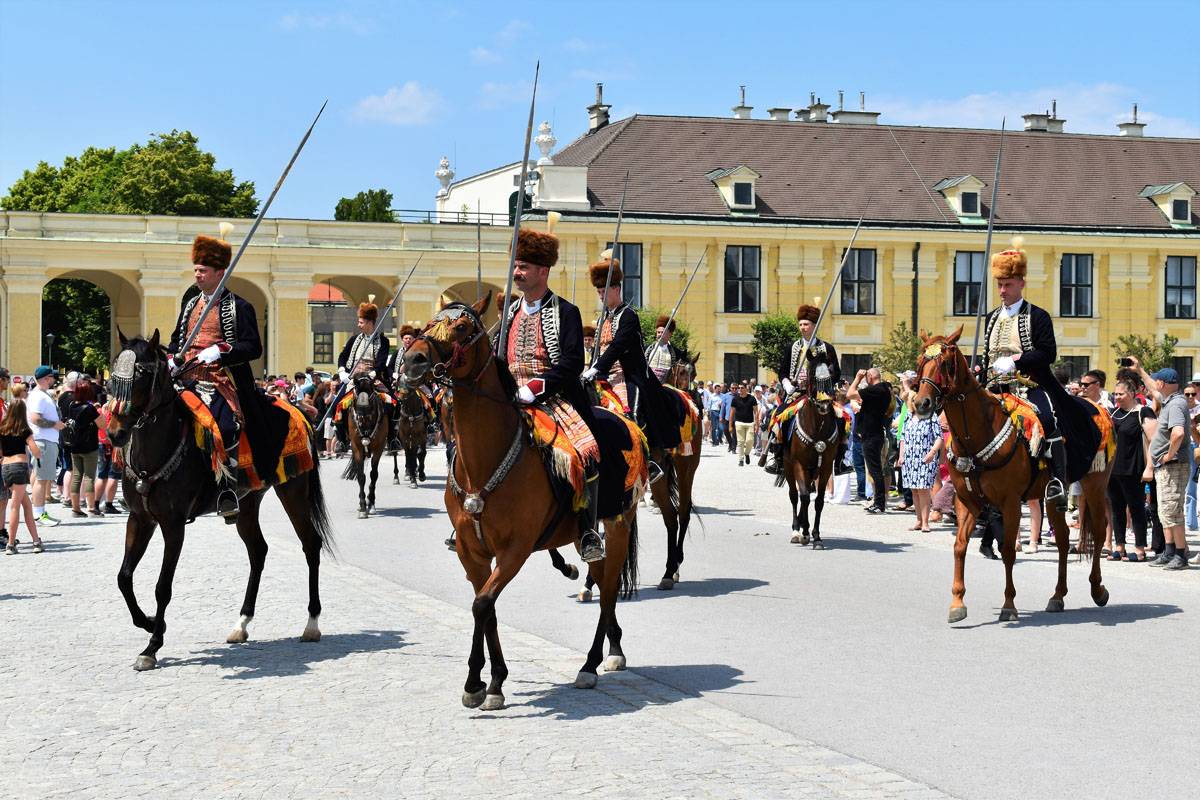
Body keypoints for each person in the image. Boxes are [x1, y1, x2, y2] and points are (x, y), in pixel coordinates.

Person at [500, 225, 605, 562]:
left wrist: (536, 387)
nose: (517, 273)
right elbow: (498, 355)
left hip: (553, 398)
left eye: (524, 267)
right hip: (510, 397)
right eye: (515, 266)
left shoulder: (566, 312)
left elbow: (573, 361)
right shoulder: (508, 313)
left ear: (542, 271)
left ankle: (587, 529)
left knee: (583, 451)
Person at [166, 229, 278, 521]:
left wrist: (221, 351)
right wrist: (170, 359)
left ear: (219, 272)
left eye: (203, 270)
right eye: (195, 270)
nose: (197, 275)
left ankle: (228, 489)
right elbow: (177, 338)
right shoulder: (190, 303)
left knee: (226, 426)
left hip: (220, 379)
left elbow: (252, 346)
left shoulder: (239, 306)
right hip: (186, 376)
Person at [982, 239, 1100, 512]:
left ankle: (1058, 480)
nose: (1002, 290)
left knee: (1048, 419)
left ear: (1021, 283)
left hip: (1029, 384)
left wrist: (1016, 360)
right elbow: (987, 354)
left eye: (1008, 284)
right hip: (994, 386)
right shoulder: (990, 318)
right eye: (999, 284)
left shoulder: (1037, 316)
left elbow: (1048, 353)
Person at [760, 303, 843, 471]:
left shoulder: (827, 348)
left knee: (842, 418)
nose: (803, 327)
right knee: (776, 416)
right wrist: (787, 384)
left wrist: (820, 377)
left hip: (821, 393)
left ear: (814, 326)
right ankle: (778, 458)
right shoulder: (792, 347)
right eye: (801, 324)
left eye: (806, 324)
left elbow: (836, 373)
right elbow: (782, 371)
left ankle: (840, 460)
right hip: (796, 392)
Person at [1132, 362, 1190, 569]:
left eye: (1156, 381)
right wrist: (1139, 369)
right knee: (1166, 510)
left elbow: (1178, 433)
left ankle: (1180, 554)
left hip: (1173, 465)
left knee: (1173, 511)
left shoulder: (1175, 405)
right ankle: (1170, 550)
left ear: (1163, 383)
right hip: (1167, 466)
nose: (1153, 385)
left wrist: (1167, 456)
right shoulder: (1170, 399)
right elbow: (1153, 387)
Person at [1106, 379, 1155, 561]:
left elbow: (1153, 441)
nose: (1117, 397)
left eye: (1121, 394)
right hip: (1113, 469)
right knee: (1116, 509)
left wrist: (1149, 467)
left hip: (1134, 469)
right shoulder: (1114, 413)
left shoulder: (1143, 412)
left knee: (1136, 509)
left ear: (1133, 393)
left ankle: (1140, 549)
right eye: (1116, 394)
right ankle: (1119, 547)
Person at [1, 400, 45, 554]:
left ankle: (36, 540)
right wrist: (39, 454)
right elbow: (35, 450)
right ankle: (11, 544)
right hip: (19, 467)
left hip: (5, 467)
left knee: (26, 505)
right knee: (15, 506)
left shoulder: (2, 429)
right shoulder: (24, 430)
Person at [847, 367, 893, 514]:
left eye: (867, 377)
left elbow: (849, 394)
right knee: (876, 470)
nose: (866, 379)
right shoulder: (884, 389)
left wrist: (857, 378)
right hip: (875, 433)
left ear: (871, 376)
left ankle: (879, 503)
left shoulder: (876, 389)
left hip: (871, 435)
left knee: (875, 471)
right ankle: (878, 502)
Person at [896, 396, 943, 532]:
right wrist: (901, 455)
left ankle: (925, 522)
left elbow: (939, 437)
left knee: (923, 490)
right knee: (914, 490)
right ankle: (918, 520)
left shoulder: (931, 416)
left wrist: (932, 452)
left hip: (925, 458)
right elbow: (903, 437)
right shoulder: (908, 416)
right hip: (909, 459)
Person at [26, 365, 64, 527]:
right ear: (46, 378)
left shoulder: (40, 395)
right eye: (52, 377)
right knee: (42, 479)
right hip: (43, 441)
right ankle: (39, 513)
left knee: (39, 478)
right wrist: (55, 425)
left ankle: (39, 512)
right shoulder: (38, 396)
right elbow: (35, 419)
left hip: (44, 441)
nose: (54, 380)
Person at [66, 381, 102, 517]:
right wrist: (99, 411)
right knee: (89, 477)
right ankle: (92, 508)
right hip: (89, 446)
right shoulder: (89, 408)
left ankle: (75, 509)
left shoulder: (71, 406)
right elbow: (103, 425)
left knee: (76, 477)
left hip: (75, 446)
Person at [645, 315, 685, 383]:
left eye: (663, 332)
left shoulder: (676, 352)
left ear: (670, 334)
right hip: (649, 383)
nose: (660, 334)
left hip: (667, 385)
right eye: (658, 332)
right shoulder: (646, 348)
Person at [729, 382, 759, 465]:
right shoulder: (735, 399)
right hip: (739, 423)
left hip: (750, 423)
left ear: (746, 389)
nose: (740, 390)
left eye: (742, 388)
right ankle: (741, 459)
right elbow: (731, 412)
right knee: (740, 442)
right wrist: (730, 425)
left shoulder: (752, 398)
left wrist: (757, 424)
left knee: (750, 441)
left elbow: (756, 412)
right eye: (739, 388)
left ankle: (746, 453)